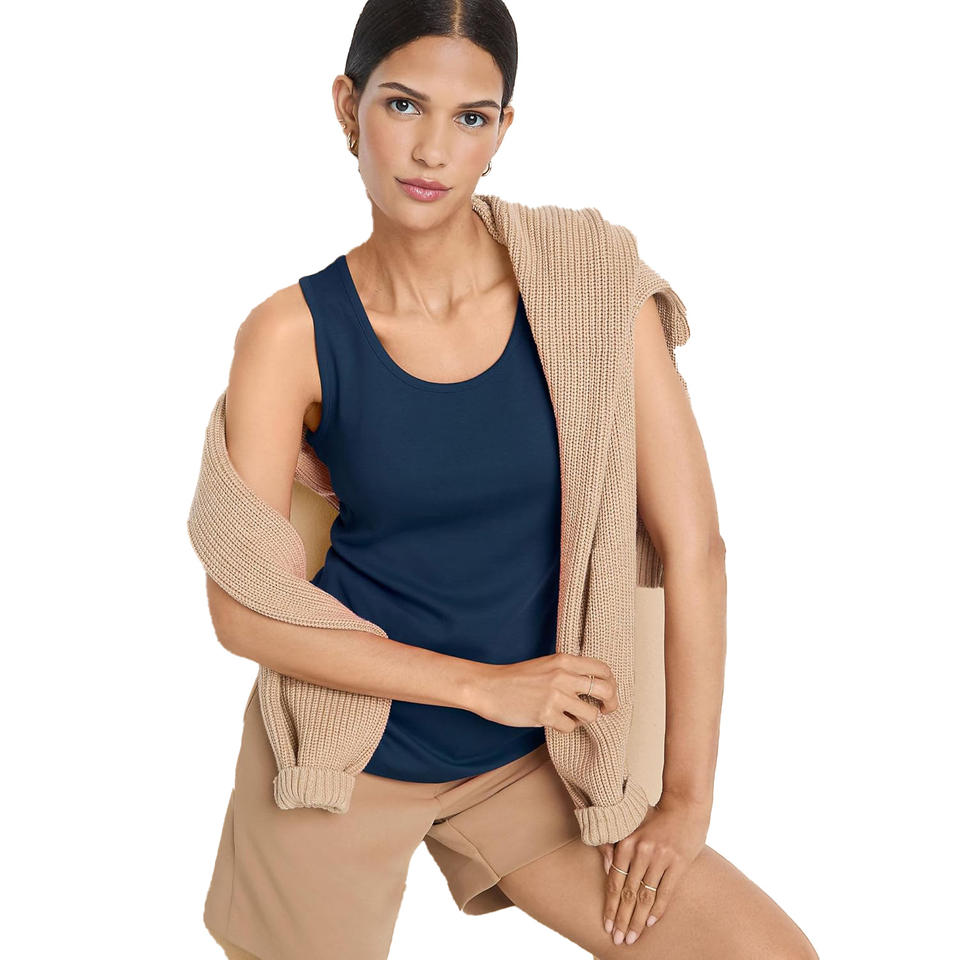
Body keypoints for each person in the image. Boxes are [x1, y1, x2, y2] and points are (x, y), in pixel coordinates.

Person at [199, 1, 819, 958]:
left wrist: (685, 802)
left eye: (471, 117)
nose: (432, 149)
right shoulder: (289, 334)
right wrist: (484, 687)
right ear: (348, 106)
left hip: (538, 759)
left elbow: (695, 549)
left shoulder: (591, 287)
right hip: (346, 750)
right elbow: (244, 613)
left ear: (502, 131)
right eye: (403, 104)